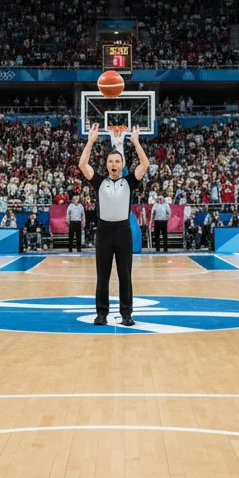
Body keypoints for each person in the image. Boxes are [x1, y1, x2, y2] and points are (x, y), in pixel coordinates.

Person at [78, 124, 150, 327]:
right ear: (107, 165)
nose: (114, 164)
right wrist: (90, 142)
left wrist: (135, 142)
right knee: (103, 276)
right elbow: (83, 165)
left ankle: (127, 314)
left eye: (117, 161)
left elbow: (145, 164)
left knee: (125, 275)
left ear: (122, 164)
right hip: (104, 232)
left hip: (123, 232)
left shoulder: (129, 181)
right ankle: (101, 313)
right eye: (110, 161)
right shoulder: (99, 182)